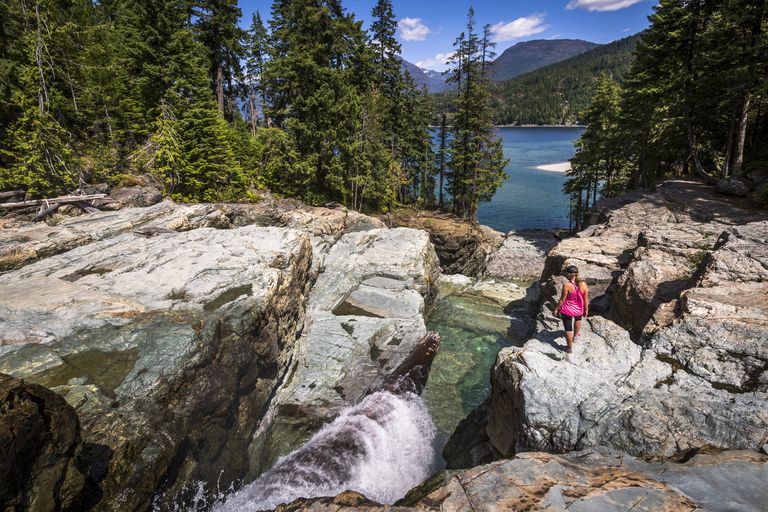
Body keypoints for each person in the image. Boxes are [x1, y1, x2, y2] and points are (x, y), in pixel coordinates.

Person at [554, 265, 589, 353]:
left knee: (568, 328)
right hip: (579, 308)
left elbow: (562, 299)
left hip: (567, 309)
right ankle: (576, 337)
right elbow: (586, 299)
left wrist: (556, 308)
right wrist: (586, 309)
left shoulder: (567, 285)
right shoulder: (584, 284)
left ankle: (569, 348)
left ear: (568, 274)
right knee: (578, 319)